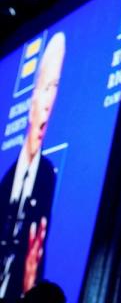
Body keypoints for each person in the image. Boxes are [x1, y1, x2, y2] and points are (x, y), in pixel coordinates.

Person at [0, 32, 63, 300]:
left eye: (55, 87)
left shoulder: (47, 176)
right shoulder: (7, 180)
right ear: (32, 97)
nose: (48, 103)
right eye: (45, 87)